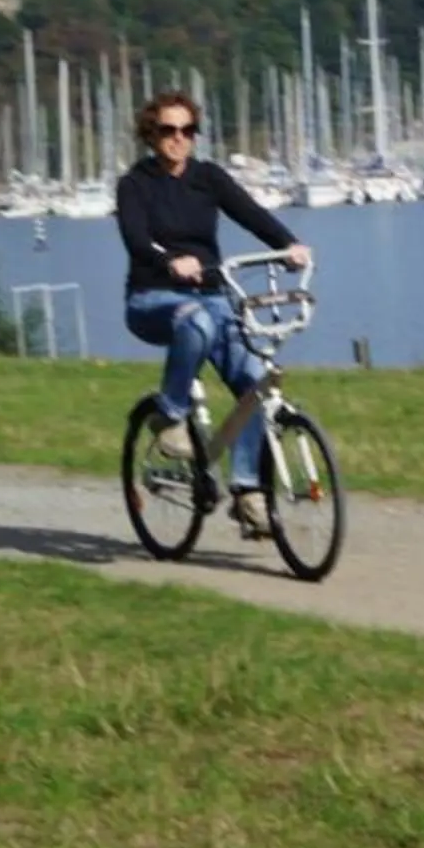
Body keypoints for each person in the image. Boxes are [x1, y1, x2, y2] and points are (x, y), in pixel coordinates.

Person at [116, 92, 310, 534]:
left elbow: (250, 214)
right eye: (168, 130)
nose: (179, 139)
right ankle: (169, 414)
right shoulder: (135, 184)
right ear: (151, 134)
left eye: (187, 131)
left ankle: (247, 492)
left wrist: (288, 245)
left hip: (213, 294)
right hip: (152, 299)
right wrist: (169, 262)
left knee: (254, 384)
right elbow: (136, 240)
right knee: (195, 320)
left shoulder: (208, 178)